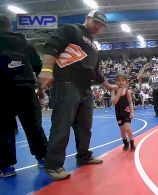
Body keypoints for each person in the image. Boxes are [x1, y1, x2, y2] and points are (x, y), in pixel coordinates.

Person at [37, 10, 116, 181]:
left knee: (85, 126)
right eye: (96, 22)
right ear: (87, 18)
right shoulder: (71, 29)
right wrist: (46, 69)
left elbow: (95, 71)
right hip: (66, 83)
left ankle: (84, 156)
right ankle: (53, 165)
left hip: (85, 88)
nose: (98, 27)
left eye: (102, 25)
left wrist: (109, 86)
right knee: (62, 125)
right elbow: (52, 47)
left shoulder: (94, 46)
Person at [0, 14, 48, 177]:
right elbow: (39, 68)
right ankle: (43, 156)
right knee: (33, 125)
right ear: (11, 26)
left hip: (2, 91)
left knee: (4, 129)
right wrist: (41, 89)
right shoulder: (25, 43)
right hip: (26, 89)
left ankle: (6, 167)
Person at [112, 74, 135, 151]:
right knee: (122, 129)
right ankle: (125, 143)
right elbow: (114, 102)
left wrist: (132, 112)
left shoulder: (128, 92)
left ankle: (132, 142)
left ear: (126, 82)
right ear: (115, 82)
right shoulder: (113, 91)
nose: (120, 82)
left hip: (126, 112)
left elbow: (130, 103)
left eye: (123, 80)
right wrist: (118, 93)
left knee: (127, 128)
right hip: (118, 113)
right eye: (118, 80)